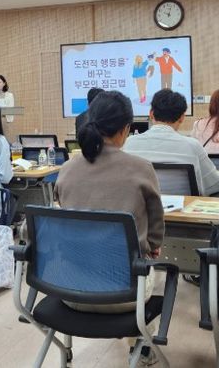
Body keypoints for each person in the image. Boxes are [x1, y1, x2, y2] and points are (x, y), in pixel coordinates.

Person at [54, 91, 163, 365]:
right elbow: (155, 235)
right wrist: (151, 247)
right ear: (126, 129)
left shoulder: (67, 169)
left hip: (70, 291)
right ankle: (141, 347)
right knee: (150, 266)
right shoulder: (142, 168)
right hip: (126, 296)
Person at [124, 89, 219, 196]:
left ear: (151, 114)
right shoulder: (192, 146)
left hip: (140, 206)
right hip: (184, 206)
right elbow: (215, 185)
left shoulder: (128, 144)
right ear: (182, 117)